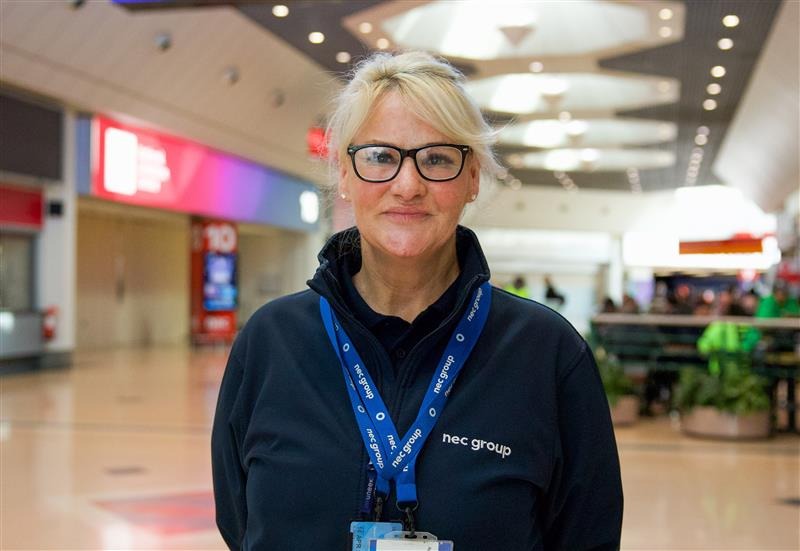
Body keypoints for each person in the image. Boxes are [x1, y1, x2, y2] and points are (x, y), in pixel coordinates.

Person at [211, 51, 622, 550]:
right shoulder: (271, 342)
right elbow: (240, 524)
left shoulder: (547, 353)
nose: (408, 185)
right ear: (345, 173)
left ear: (472, 178)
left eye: (437, 159)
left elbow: (587, 537)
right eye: (381, 157)